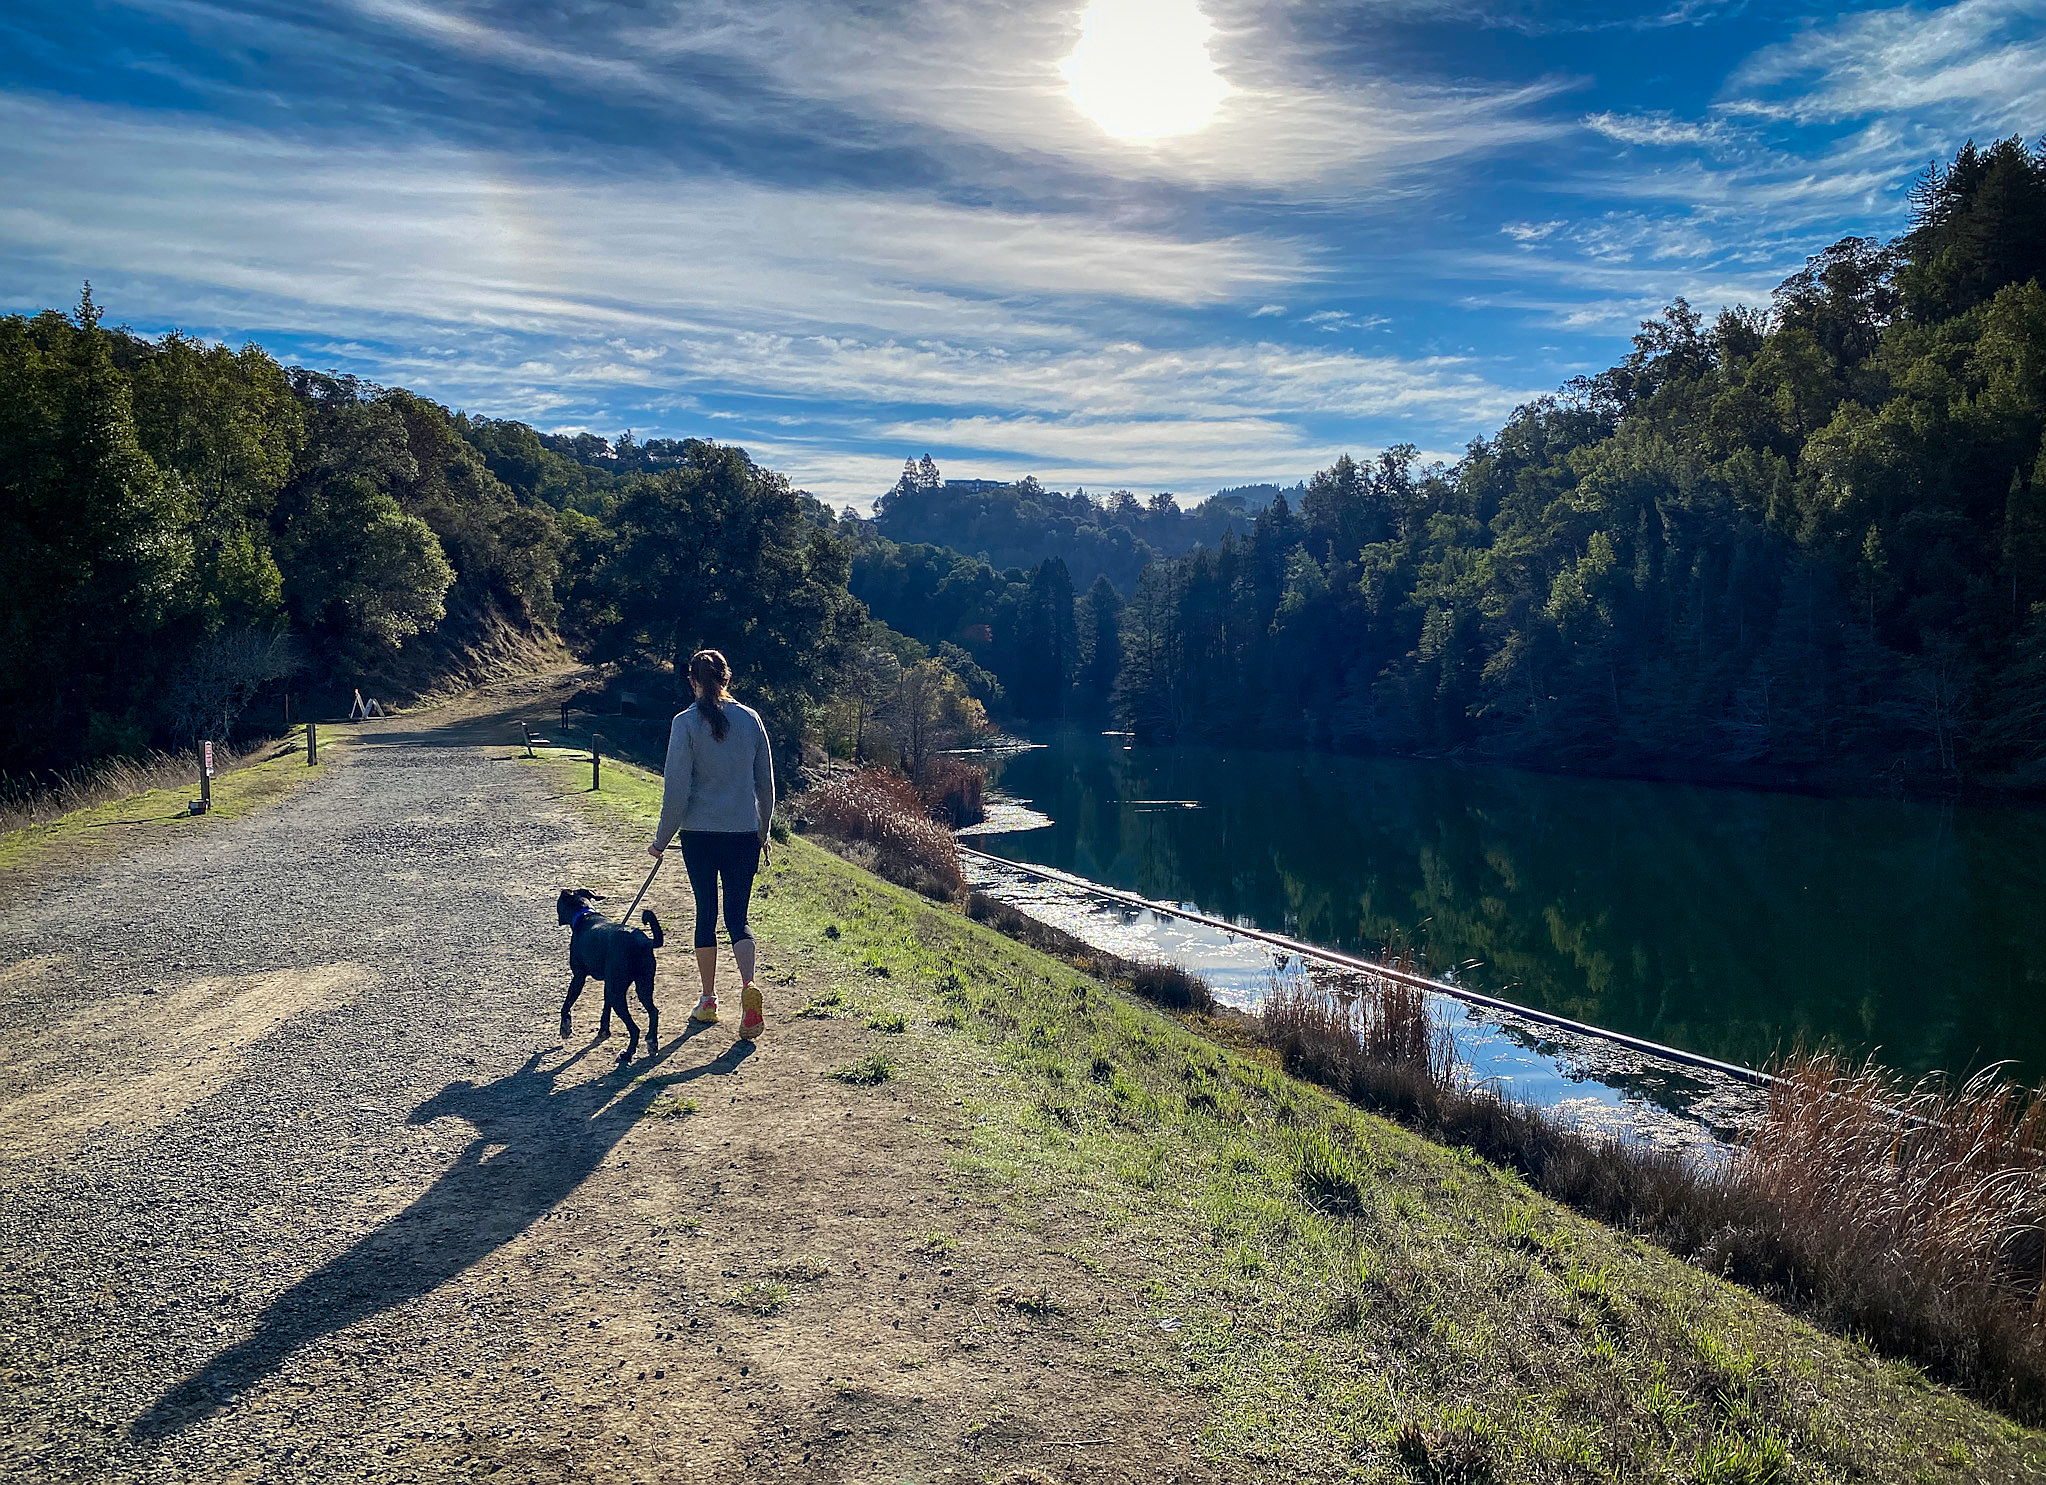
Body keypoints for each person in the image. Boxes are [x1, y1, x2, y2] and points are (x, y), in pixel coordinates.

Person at [649, 650, 775, 1040]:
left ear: (693, 681)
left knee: (706, 911)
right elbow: (765, 784)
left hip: (699, 835)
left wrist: (661, 839)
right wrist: (763, 830)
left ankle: (708, 1000)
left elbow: (677, 790)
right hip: (743, 833)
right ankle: (748, 987)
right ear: (727, 678)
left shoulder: (684, 723)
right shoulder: (751, 719)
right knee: (738, 916)